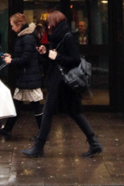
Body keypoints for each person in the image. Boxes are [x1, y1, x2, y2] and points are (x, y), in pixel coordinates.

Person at [21, 11, 103, 158]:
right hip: (61, 83)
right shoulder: (58, 38)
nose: (48, 25)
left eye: (50, 22)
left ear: (55, 23)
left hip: (62, 83)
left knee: (47, 112)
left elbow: (75, 59)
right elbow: (55, 59)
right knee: (74, 113)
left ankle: (38, 147)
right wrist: (45, 52)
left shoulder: (68, 37)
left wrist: (57, 56)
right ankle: (94, 143)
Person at [0, 13, 44, 140]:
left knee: (35, 106)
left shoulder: (28, 38)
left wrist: (11, 61)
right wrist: (11, 56)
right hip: (25, 76)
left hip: (28, 76)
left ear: (19, 25)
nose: (12, 28)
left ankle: (43, 133)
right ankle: (7, 129)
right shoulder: (23, 36)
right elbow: (23, 55)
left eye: (13, 26)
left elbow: (26, 59)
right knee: (17, 104)